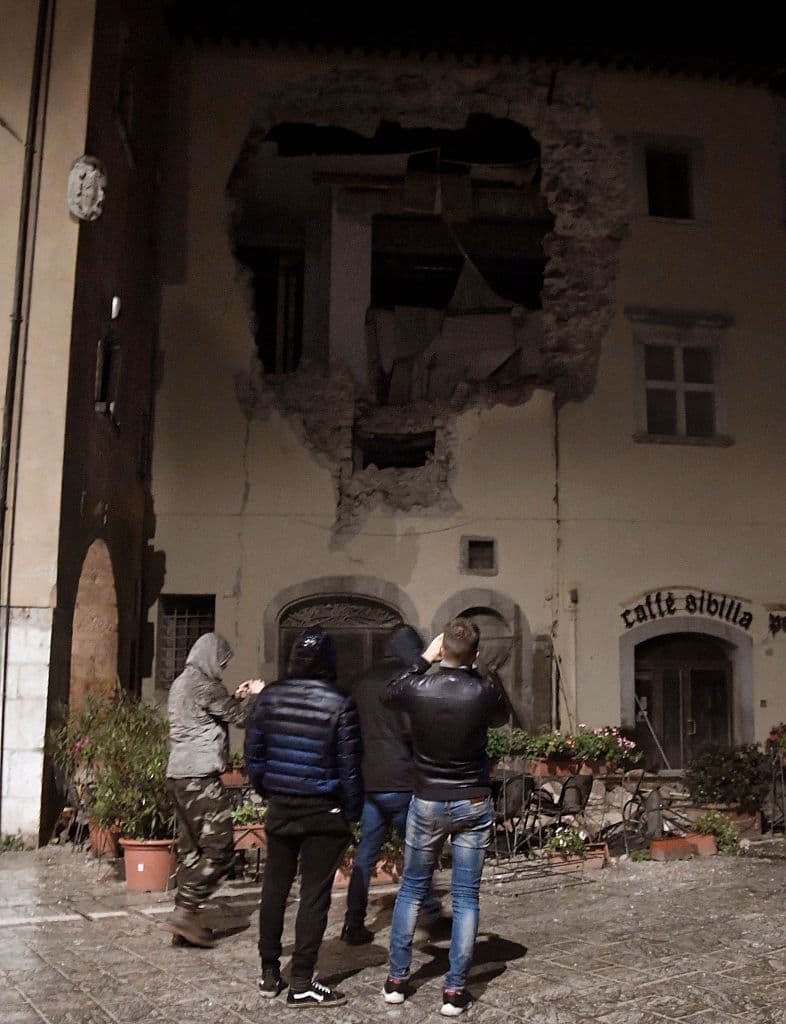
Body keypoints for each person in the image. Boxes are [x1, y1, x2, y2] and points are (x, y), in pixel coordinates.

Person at [381, 617, 508, 1017]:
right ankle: (454, 991)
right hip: (471, 798)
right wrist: (478, 668)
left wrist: (423, 659)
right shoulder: (483, 691)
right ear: (475, 651)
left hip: (429, 798)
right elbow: (502, 715)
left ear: (442, 649)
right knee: (466, 896)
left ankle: (398, 981)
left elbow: (390, 694)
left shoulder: (419, 687)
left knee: (413, 889)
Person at [245, 626, 363, 1008]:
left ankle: (268, 971)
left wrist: (270, 790)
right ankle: (301, 980)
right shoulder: (340, 702)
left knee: (274, 889)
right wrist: (353, 809)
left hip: (282, 804)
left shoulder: (270, 698)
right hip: (323, 809)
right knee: (315, 894)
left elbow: (254, 755)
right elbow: (350, 766)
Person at [341, 624, 442, 946]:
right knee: (419, 850)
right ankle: (431, 913)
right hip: (401, 780)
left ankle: (353, 922)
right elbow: (417, 731)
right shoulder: (408, 683)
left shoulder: (361, 682)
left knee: (366, 856)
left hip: (370, 781)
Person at [166, 631, 265, 948]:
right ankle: (185, 910)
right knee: (220, 849)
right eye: (221, 662)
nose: (221, 669)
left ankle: (186, 920)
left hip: (180, 775)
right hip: (199, 777)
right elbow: (239, 718)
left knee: (193, 851)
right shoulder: (203, 684)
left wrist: (235, 698)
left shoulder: (183, 682)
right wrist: (259, 696)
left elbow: (213, 712)